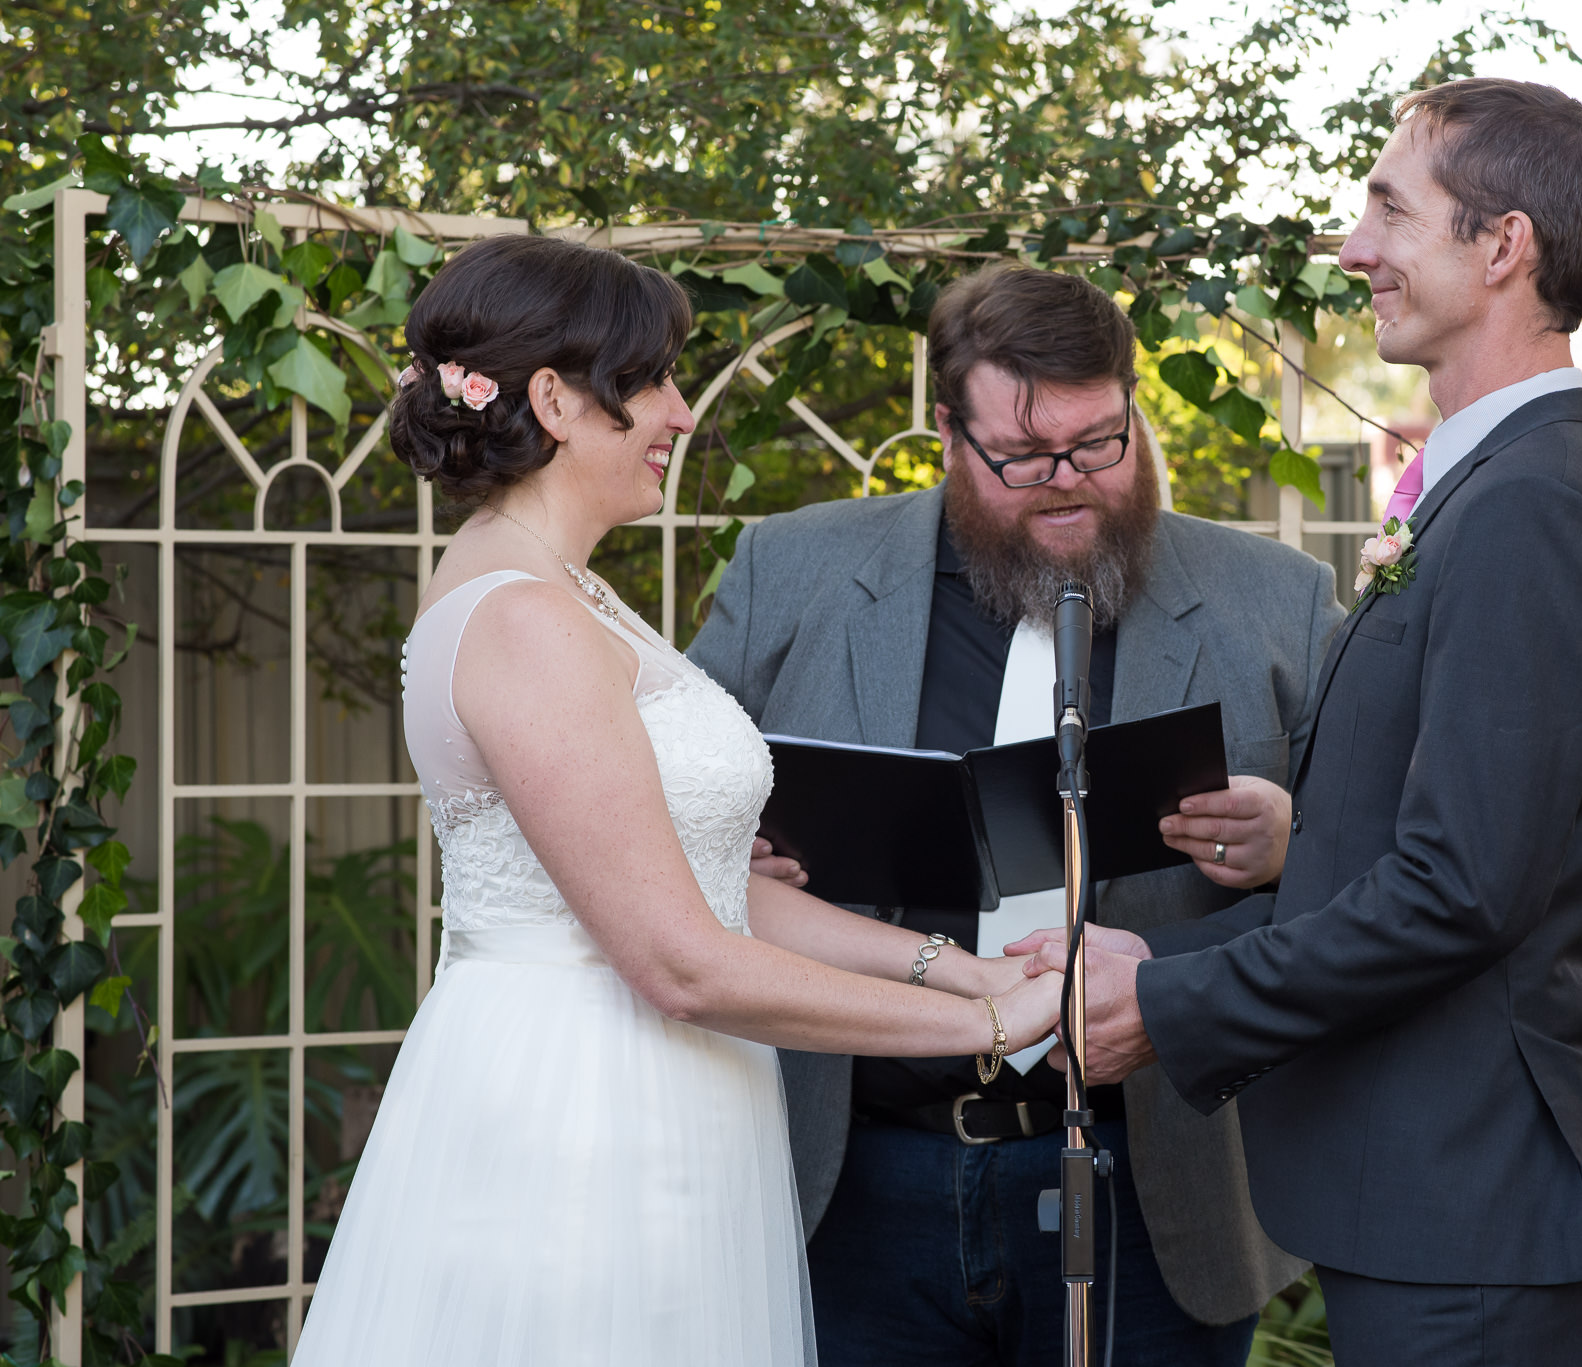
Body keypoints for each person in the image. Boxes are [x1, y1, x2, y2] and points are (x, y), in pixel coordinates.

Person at [292, 234, 1063, 1367]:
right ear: (554, 399)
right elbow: (679, 958)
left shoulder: (572, 592)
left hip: (670, 1090)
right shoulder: (523, 618)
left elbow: (714, 887)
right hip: (583, 1115)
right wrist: (989, 1025)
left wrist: (967, 964)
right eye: (650, 380)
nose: (679, 412)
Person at [1021, 78, 1582, 1365]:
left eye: (1386, 208)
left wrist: (1173, 995)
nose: (1355, 247)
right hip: (1425, 1202)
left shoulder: (1529, 504)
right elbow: (1424, 838)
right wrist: (1270, 867)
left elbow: (1462, 886)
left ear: (1500, 246)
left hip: (1468, 1213)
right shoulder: (1485, 485)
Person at [689, 263, 1344, 1366]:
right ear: (946, 430)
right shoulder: (790, 570)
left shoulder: (1277, 600)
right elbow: (665, 812)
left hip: (1160, 1185)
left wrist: (1291, 842)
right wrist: (725, 839)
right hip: (849, 1178)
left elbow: (1380, 879)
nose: (1070, 483)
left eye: (1100, 442)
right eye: (1025, 458)